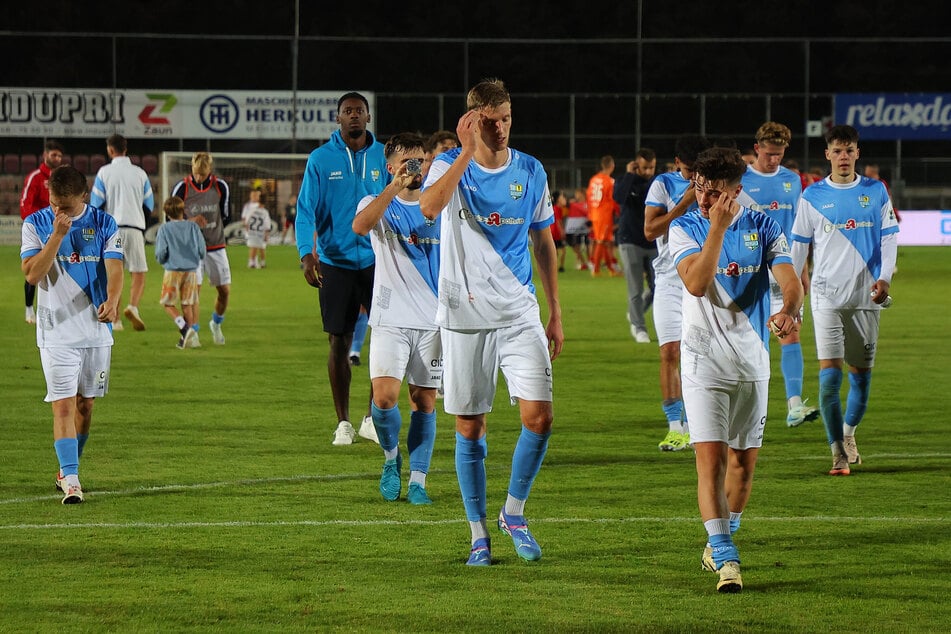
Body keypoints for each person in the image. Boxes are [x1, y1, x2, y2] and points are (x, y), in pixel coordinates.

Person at [420, 78, 564, 566]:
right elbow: (429, 207)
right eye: (490, 121)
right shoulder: (447, 166)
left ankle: (514, 513)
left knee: (539, 418)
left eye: (505, 119)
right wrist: (463, 153)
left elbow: (544, 240)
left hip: (519, 311)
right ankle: (478, 534)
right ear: (471, 120)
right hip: (464, 315)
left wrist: (555, 310)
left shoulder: (532, 170)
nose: (500, 128)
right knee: (470, 425)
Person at [670, 146, 803, 593]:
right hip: (703, 364)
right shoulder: (685, 226)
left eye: (714, 194)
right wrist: (716, 227)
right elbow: (696, 283)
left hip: (752, 364)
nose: (705, 201)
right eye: (700, 190)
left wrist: (788, 310)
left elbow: (790, 282)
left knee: (742, 470)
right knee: (710, 463)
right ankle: (727, 559)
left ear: (736, 190)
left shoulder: (764, 226)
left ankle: (719, 538)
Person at [791, 125, 899, 475]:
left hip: (866, 297)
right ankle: (837, 451)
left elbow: (889, 240)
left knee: (861, 377)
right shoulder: (811, 196)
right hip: (826, 298)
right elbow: (798, 249)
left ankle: (849, 433)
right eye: (837, 151)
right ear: (827, 155)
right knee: (829, 377)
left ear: (857, 153)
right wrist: (791, 297)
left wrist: (884, 276)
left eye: (849, 150)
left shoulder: (876, 191)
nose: (843, 156)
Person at [20, 165, 124, 505]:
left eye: (64, 206)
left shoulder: (105, 223)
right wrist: (57, 236)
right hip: (56, 333)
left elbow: (115, 267)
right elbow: (33, 275)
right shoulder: (35, 224)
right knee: (62, 406)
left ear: (83, 196)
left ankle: (68, 467)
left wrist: (113, 300)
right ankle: (71, 478)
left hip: (95, 331)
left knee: (86, 404)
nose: (57, 211)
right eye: (53, 203)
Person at [296, 91, 389, 446]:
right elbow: (306, 210)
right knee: (339, 340)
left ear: (368, 118)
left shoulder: (384, 156)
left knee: (383, 339)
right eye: (347, 111)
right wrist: (308, 254)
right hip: (334, 262)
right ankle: (344, 423)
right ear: (338, 118)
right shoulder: (320, 159)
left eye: (359, 111)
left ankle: (371, 418)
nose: (353, 116)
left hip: (378, 261)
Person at [352, 132, 441, 505]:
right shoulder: (376, 202)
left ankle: (418, 480)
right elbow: (360, 227)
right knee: (385, 399)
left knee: (424, 401)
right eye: (408, 161)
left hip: (434, 320)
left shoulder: (440, 204)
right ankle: (391, 460)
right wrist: (394, 187)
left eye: (421, 159)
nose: (416, 167)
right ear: (391, 167)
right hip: (390, 318)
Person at [736, 122, 818, 427]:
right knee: (745, 341)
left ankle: (795, 405)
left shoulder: (792, 180)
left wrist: (803, 270)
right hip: (748, 272)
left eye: (779, 155)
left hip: (784, 271)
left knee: (790, 332)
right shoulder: (741, 179)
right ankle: (738, 407)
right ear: (757, 149)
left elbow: (800, 229)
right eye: (769, 154)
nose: (774, 160)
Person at [644, 134, 711, 451]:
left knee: (702, 357)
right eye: (689, 170)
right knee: (669, 353)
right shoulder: (663, 184)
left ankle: (701, 426)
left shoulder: (713, 186)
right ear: (678, 164)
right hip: (670, 282)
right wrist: (683, 204)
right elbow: (650, 230)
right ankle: (675, 427)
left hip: (705, 280)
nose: (694, 176)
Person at [89, 134, 155, 332]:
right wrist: (139, 220)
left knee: (113, 274)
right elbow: (149, 204)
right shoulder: (140, 173)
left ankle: (115, 320)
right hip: (134, 227)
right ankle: (133, 306)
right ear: (126, 149)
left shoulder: (104, 172)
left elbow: (96, 205)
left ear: (110, 150)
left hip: (112, 229)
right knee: (139, 273)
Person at [170, 152, 232, 347]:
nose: (199, 177)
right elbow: (171, 219)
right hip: (191, 249)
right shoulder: (182, 188)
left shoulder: (221, 187)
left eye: (202, 175)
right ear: (192, 169)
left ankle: (216, 323)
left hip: (216, 246)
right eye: (196, 173)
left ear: (209, 172)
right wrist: (191, 222)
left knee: (224, 291)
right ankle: (193, 332)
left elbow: (226, 215)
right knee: (192, 293)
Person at [613, 148, 658, 343]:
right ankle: (639, 328)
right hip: (629, 240)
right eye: (645, 167)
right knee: (635, 288)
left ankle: (635, 313)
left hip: (653, 241)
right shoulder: (625, 180)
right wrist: (630, 174)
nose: (648, 172)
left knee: (659, 287)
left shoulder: (658, 183)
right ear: (636, 165)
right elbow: (619, 198)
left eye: (651, 168)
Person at [20, 139, 65, 324]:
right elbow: (25, 205)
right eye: (54, 154)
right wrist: (39, 223)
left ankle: (58, 309)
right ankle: (29, 309)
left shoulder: (62, 178)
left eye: (60, 155)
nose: (57, 158)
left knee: (60, 269)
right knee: (35, 268)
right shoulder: (35, 177)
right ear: (45, 155)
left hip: (61, 230)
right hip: (40, 231)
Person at [155, 196, 206, 349]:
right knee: (187, 305)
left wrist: (163, 261)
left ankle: (184, 329)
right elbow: (202, 250)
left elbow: (161, 252)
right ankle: (187, 340)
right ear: (183, 210)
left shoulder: (164, 229)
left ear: (167, 213)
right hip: (191, 272)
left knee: (168, 304)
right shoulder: (193, 227)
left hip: (172, 271)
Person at [586, 155, 621, 276]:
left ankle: (611, 268)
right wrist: (619, 212)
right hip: (604, 214)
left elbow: (589, 197)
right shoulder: (609, 181)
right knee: (601, 241)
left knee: (605, 241)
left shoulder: (593, 179)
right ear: (612, 166)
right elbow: (613, 199)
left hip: (595, 214)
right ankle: (595, 269)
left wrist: (590, 214)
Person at [241, 187, 272, 269]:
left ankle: (252, 262)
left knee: (253, 247)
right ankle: (261, 262)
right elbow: (267, 224)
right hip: (261, 232)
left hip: (252, 231)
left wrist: (247, 228)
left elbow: (247, 219)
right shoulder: (265, 211)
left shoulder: (252, 209)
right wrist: (267, 234)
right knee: (261, 247)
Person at [565, 188, 590, 270]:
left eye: (577, 194)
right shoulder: (572, 204)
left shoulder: (586, 204)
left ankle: (590, 262)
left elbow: (587, 212)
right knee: (575, 245)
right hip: (574, 228)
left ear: (582, 194)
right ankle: (583, 262)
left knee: (587, 245)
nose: (576, 195)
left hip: (585, 226)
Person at [550, 189, 568, 272]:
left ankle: (556, 267)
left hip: (553, 231)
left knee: (556, 251)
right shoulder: (557, 208)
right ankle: (559, 266)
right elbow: (558, 221)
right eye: (562, 197)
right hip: (556, 232)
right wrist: (562, 231)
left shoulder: (555, 208)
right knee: (562, 250)